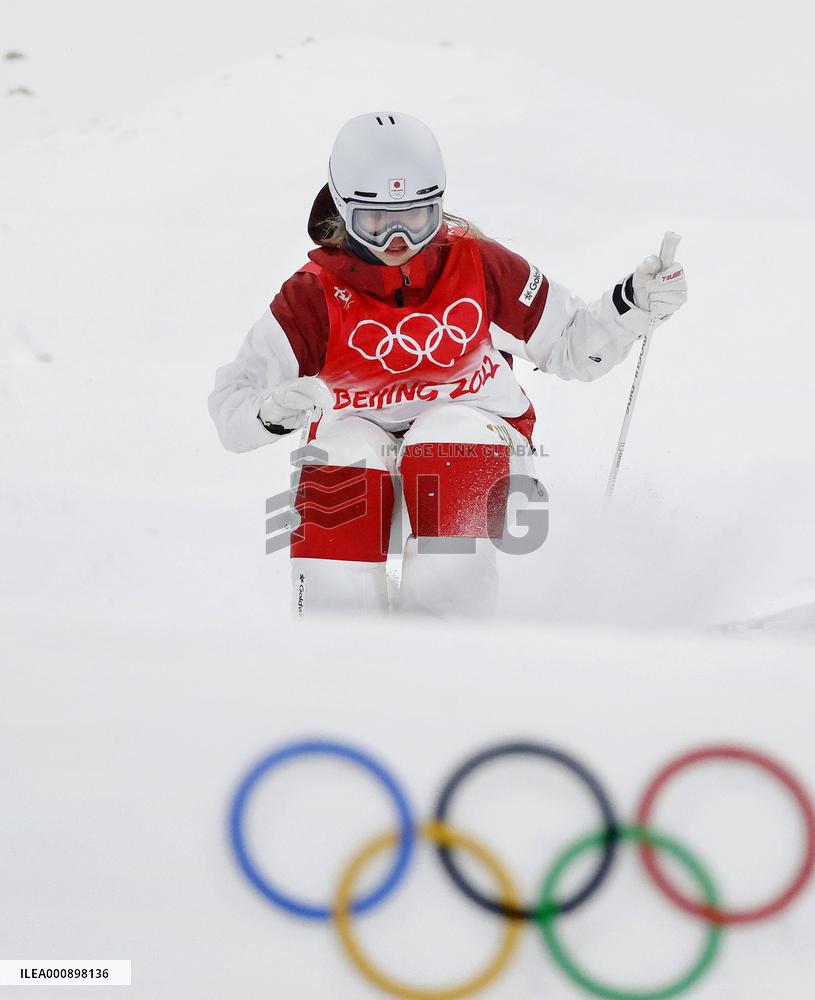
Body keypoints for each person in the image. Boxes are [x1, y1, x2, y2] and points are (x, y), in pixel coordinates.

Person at [208, 112, 687, 617]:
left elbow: (570, 345)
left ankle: (447, 637)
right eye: (375, 222)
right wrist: (271, 409)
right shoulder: (314, 296)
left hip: (474, 449)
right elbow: (231, 411)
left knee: (445, 439)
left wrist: (630, 306)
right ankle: (337, 644)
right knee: (341, 456)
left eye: (416, 219)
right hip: (367, 465)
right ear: (342, 209)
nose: (398, 241)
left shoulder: (477, 267)